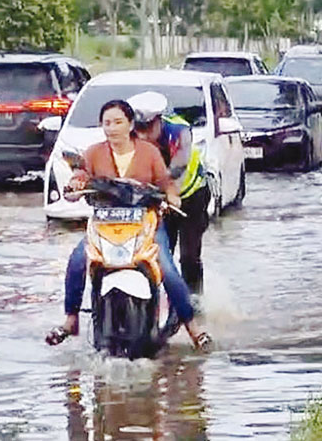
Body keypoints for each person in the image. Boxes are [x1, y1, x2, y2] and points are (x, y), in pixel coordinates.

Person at [45, 99, 211, 351]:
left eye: (118, 122)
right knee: (78, 260)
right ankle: (70, 320)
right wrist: (76, 185)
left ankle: (193, 328)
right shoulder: (93, 152)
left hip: (145, 223)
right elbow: (80, 176)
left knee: (167, 268)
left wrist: (171, 196)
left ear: (130, 124)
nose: (112, 128)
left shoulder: (149, 152)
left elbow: (165, 182)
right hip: (104, 224)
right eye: (107, 122)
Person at [128, 91, 211, 294]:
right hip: (155, 200)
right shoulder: (130, 137)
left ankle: (194, 302)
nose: (143, 135)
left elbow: (176, 171)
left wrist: (167, 193)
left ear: (158, 121)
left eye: (148, 128)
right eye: (139, 129)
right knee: (157, 253)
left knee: (189, 256)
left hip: (190, 198)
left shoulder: (179, 132)